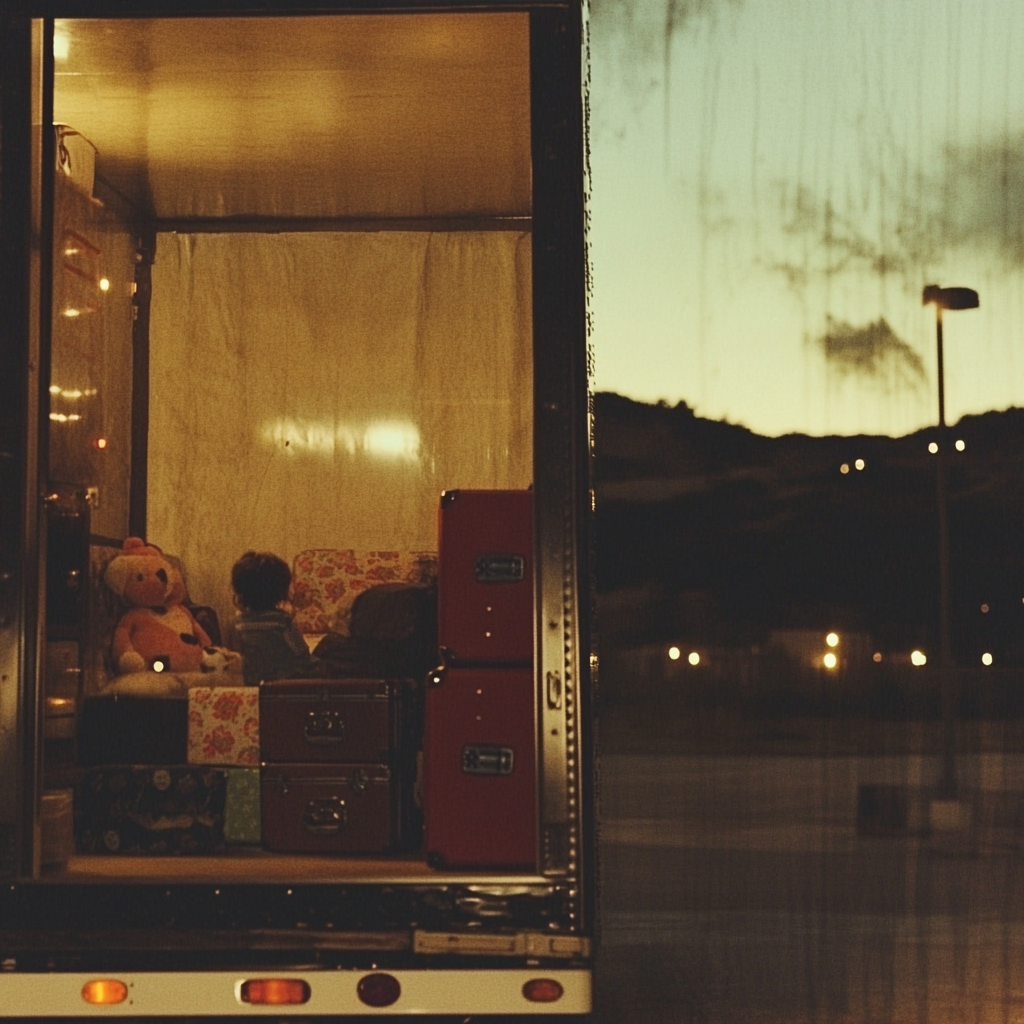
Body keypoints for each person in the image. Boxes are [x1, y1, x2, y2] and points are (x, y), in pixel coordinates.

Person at [231, 550, 322, 686]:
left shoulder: (238, 623)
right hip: (289, 683)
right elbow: (301, 653)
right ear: (279, 589)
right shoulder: (283, 622)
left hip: (253, 683)